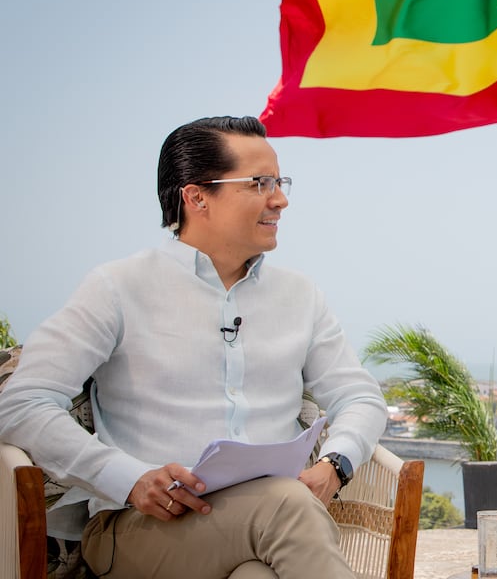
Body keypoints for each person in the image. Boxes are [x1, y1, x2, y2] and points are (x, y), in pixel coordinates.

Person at [0, 116, 388, 578]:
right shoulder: (117, 288)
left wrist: (336, 464)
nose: (281, 199)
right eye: (260, 183)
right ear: (196, 196)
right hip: (142, 526)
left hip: (270, 523)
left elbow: (360, 397)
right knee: (287, 505)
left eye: (280, 181)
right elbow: (21, 403)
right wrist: (128, 478)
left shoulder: (301, 297)